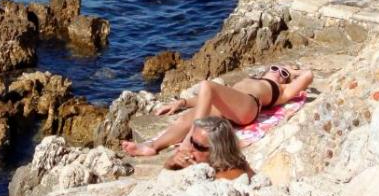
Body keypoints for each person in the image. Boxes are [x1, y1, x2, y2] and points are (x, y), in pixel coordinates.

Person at [122, 64, 315, 158]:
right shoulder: (250, 80)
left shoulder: (281, 90)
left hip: (248, 107)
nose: (279, 73)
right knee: (185, 119)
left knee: (208, 85)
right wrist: (182, 102)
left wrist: (293, 72)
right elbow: (210, 96)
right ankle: (152, 146)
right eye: (276, 68)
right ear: (266, 70)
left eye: (283, 74)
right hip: (231, 107)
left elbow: (308, 75)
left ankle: (191, 141)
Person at [164, 115, 253, 179]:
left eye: (198, 146)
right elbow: (167, 168)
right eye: (191, 140)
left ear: (217, 151)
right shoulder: (208, 163)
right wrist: (172, 161)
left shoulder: (232, 175)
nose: (191, 148)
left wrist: (194, 172)